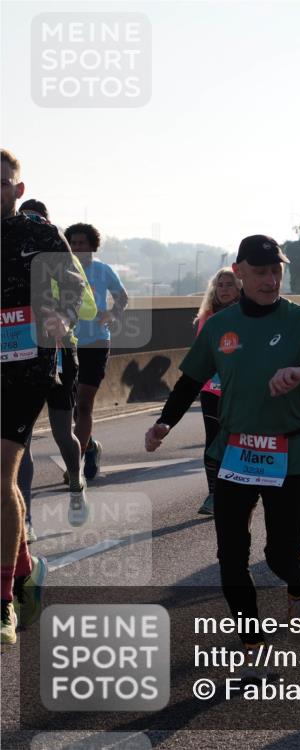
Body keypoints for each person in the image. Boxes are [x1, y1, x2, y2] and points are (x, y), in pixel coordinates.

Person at [145, 235, 300, 658]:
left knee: (280, 557)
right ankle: (252, 641)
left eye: (276, 270)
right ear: (239, 272)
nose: (270, 279)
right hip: (235, 451)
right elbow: (191, 379)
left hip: (291, 452)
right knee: (231, 556)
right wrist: (164, 422)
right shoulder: (221, 327)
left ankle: (298, 583)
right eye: (260, 272)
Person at [2, 148, 85, 644]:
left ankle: (4, 600)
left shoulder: (38, 234)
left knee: (2, 471)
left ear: (18, 188)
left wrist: (62, 317)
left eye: (2, 182)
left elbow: (74, 287)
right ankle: (27, 568)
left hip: (27, 367)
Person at [15, 200, 97, 533]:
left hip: (62, 354)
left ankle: (76, 486)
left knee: (64, 434)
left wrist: (62, 314)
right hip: (22, 356)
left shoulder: (64, 260)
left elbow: (89, 308)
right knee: (23, 441)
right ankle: (27, 520)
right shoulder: (13, 260)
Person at [67, 223, 129, 481]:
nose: (77, 247)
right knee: (70, 407)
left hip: (96, 344)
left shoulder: (103, 270)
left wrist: (111, 314)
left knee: (83, 403)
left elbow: (122, 297)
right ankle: (90, 446)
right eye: (73, 243)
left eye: (82, 243)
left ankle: (75, 466)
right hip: (69, 343)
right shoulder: (63, 270)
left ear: (93, 245)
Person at [192, 268, 242, 515]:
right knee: (213, 439)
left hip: (241, 388)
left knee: (238, 440)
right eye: (220, 284)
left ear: (239, 288)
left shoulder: (247, 314)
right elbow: (201, 353)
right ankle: (213, 493)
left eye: (229, 284)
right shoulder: (207, 317)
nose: (223, 289)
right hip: (212, 387)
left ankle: (239, 488)